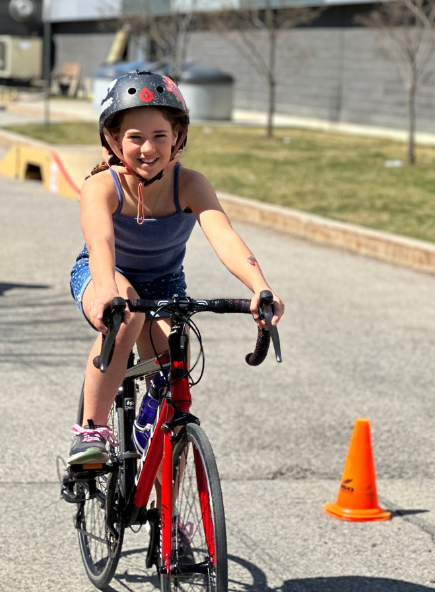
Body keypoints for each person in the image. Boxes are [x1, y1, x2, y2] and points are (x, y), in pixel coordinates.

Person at [68, 71, 284, 465]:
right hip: (105, 275)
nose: (148, 148)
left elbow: (225, 237)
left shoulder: (191, 184)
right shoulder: (101, 187)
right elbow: (100, 243)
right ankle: (92, 430)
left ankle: (169, 516)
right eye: (134, 137)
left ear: (178, 138)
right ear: (113, 141)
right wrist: (106, 292)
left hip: (165, 282)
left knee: (176, 368)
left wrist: (260, 287)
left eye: (159, 136)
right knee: (127, 315)